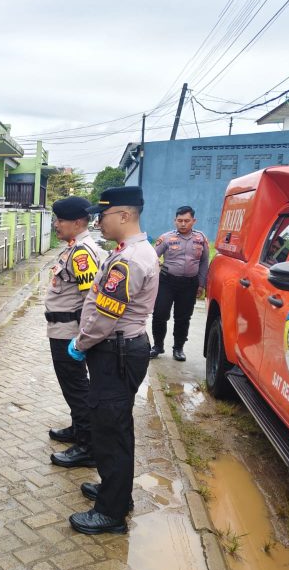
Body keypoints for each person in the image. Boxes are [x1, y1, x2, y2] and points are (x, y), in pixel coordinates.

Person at [66, 186, 159, 535]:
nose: (97, 221)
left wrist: (81, 341)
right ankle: (115, 492)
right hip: (119, 348)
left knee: (111, 430)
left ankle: (111, 512)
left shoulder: (130, 260)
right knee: (116, 425)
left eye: (101, 215)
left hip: (115, 349)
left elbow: (106, 316)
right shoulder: (128, 251)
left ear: (123, 215)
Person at [46, 197, 107, 470]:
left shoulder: (81, 253)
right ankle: (78, 429)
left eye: (60, 220)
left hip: (68, 332)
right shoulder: (74, 248)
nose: (56, 225)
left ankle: (87, 447)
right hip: (62, 329)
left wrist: (82, 339)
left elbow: (89, 300)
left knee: (77, 389)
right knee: (73, 387)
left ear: (78, 222)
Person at [150, 206, 210, 361]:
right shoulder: (166, 238)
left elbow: (204, 263)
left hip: (189, 284)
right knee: (160, 314)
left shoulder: (201, 239)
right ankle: (157, 346)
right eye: (180, 221)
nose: (183, 224)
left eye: (186, 221)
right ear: (175, 221)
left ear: (193, 221)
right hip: (167, 282)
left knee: (183, 318)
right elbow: (151, 257)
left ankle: (178, 348)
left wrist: (201, 284)